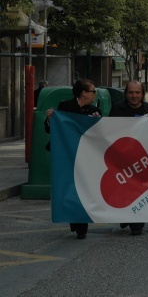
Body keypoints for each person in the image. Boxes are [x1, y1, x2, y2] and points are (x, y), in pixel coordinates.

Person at [45, 78, 101, 239]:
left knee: (84, 188)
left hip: (85, 157)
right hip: (66, 155)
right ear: (84, 93)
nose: (94, 94)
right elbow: (51, 129)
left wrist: (98, 122)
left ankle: (81, 225)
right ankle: (74, 220)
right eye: (92, 91)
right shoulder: (65, 107)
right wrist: (50, 118)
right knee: (68, 187)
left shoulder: (94, 110)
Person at [110, 81, 148, 236]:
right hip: (122, 158)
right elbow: (106, 130)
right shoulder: (117, 109)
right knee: (123, 188)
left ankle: (137, 222)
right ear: (126, 94)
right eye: (131, 92)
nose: (134, 96)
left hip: (142, 160)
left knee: (139, 189)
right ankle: (126, 216)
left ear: (142, 94)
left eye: (137, 93)